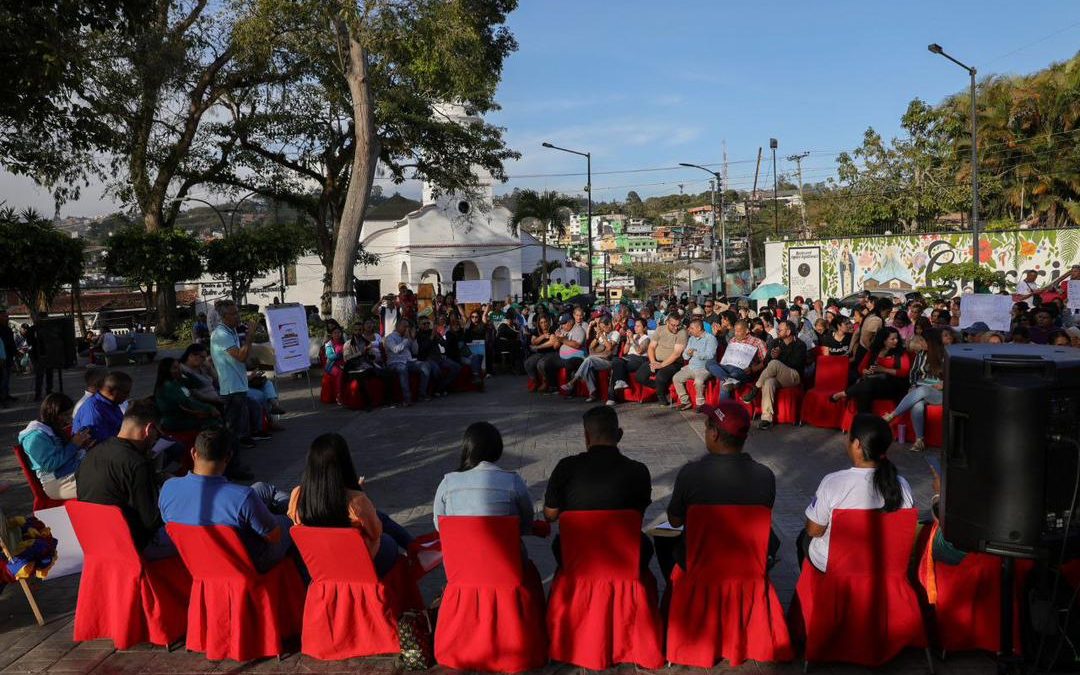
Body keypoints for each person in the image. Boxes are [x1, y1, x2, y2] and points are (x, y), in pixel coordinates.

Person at [654, 401, 779, 579]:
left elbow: (674, 521)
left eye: (706, 427)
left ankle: (673, 590)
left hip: (700, 564)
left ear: (714, 434)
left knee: (663, 533)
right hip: (746, 563)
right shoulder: (765, 476)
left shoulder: (691, 473)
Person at [159, 430, 292, 573]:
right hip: (245, 561)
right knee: (287, 522)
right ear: (228, 457)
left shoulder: (168, 488)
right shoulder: (242, 497)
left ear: (193, 453)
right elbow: (274, 536)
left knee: (262, 488)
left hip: (195, 557)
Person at [544, 406, 653, 570]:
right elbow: (637, 515)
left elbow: (551, 515)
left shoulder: (566, 467)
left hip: (577, 554)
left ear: (587, 437)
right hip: (622, 554)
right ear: (619, 434)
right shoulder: (639, 471)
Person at [287, 433, 412, 577]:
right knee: (387, 538)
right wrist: (360, 495)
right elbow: (376, 532)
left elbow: (295, 520)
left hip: (321, 563)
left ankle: (415, 546)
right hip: (358, 564)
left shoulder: (297, 495)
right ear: (344, 464)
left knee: (379, 518)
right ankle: (415, 548)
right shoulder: (355, 501)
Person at [800, 414, 913, 571]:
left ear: (857, 445)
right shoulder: (902, 485)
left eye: (849, 437)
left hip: (838, 565)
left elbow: (814, 530)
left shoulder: (833, 483)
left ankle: (808, 593)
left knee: (803, 538)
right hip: (884, 564)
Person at [76, 400, 177, 559]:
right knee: (196, 538)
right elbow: (151, 521)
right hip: (131, 545)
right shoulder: (137, 464)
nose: (155, 439)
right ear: (149, 429)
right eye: (157, 434)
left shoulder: (92, 454)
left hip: (95, 540)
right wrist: (172, 493)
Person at [433, 422, 534, 533]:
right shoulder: (513, 481)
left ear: (467, 448)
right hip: (503, 549)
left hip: (460, 549)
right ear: (497, 448)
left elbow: (439, 525)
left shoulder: (448, 482)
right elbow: (527, 521)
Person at [18, 393, 93, 499]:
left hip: (69, 473)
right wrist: (74, 444)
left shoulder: (50, 428)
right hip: (57, 484)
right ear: (53, 413)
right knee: (105, 483)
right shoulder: (35, 436)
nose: (69, 420)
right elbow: (50, 464)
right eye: (65, 415)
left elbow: (63, 453)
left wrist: (82, 446)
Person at [883, 330, 944, 453]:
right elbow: (913, 373)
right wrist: (913, 386)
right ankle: (919, 441)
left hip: (940, 393)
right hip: (922, 389)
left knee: (922, 390)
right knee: (917, 405)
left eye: (923, 340)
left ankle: (892, 415)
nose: (921, 343)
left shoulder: (944, 355)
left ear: (931, 342)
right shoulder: (921, 354)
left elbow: (955, 376)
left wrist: (943, 383)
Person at [210, 299, 258, 449]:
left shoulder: (231, 331)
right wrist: (250, 336)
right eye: (234, 314)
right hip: (231, 387)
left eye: (238, 312)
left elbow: (240, 360)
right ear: (224, 317)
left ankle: (238, 446)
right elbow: (241, 356)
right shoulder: (221, 334)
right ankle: (229, 456)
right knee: (231, 426)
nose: (238, 316)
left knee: (238, 421)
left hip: (238, 384)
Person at [742, 320, 807, 430]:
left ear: (789, 331)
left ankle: (755, 389)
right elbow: (766, 362)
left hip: (793, 376)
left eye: (780, 330)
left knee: (775, 363)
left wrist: (779, 357)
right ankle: (766, 418)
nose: (777, 331)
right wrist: (772, 357)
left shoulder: (800, 344)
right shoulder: (775, 342)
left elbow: (796, 364)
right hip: (777, 375)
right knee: (768, 382)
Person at [831, 326, 911, 414]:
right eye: (892, 339)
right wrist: (865, 371)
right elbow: (861, 368)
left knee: (869, 384)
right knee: (864, 392)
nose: (896, 341)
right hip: (872, 384)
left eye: (897, 338)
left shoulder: (901, 353)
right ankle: (865, 422)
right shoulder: (874, 351)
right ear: (884, 340)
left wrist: (884, 369)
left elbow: (904, 372)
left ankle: (843, 394)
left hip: (893, 385)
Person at [562, 315, 621, 403]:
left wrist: (602, 336)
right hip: (600, 358)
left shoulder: (615, 333)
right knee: (588, 364)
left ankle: (573, 381)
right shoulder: (603, 334)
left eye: (604, 327)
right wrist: (597, 337)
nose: (603, 330)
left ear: (609, 324)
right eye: (601, 328)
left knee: (589, 360)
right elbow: (590, 348)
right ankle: (593, 392)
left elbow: (609, 348)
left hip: (609, 361)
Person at [153, 357, 221, 433]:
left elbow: (198, 383)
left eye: (179, 367)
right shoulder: (168, 386)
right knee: (213, 422)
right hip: (176, 421)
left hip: (185, 415)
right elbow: (187, 403)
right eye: (175, 368)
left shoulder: (177, 382)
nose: (179, 370)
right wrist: (209, 408)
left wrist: (186, 372)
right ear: (166, 371)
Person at [635, 313, 688, 406]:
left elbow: (676, 354)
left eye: (678, 325)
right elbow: (651, 347)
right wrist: (653, 362)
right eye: (673, 325)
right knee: (639, 376)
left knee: (660, 376)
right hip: (656, 360)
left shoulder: (682, 332)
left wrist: (661, 365)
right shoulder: (660, 329)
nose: (676, 328)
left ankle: (662, 398)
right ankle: (662, 387)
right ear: (667, 322)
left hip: (674, 362)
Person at [342, 319, 396, 410]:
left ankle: (388, 400)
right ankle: (367, 404)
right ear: (353, 331)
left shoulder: (366, 342)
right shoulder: (348, 344)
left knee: (388, 373)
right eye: (356, 330)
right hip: (354, 369)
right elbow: (346, 358)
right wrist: (361, 353)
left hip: (367, 366)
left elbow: (371, 357)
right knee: (362, 378)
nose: (358, 332)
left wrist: (371, 354)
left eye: (360, 330)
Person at [707, 319, 767, 399]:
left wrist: (753, 369)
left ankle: (723, 409)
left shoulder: (758, 342)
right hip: (728, 367)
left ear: (746, 331)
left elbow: (766, 361)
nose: (736, 334)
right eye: (735, 331)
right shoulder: (733, 340)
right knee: (709, 363)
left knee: (725, 382)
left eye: (738, 331)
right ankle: (729, 379)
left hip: (743, 370)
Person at [72, 371, 133, 444]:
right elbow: (98, 444)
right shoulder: (94, 411)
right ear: (111, 391)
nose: (128, 396)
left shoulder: (112, 403)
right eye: (126, 392)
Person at [671, 318, 718, 411]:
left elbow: (710, 355)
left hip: (705, 368)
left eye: (692, 328)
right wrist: (688, 353)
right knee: (676, 378)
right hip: (691, 367)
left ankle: (700, 404)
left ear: (699, 328)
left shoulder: (710, 338)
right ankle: (685, 402)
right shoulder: (692, 338)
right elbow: (685, 356)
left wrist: (695, 353)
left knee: (699, 381)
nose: (689, 330)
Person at [606, 318, 651, 406]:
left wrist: (632, 340)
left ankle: (612, 397)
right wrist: (628, 341)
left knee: (616, 367)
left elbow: (639, 351)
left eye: (638, 326)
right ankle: (621, 382)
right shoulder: (633, 336)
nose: (636, 328)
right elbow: (625, 351)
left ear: (644, 328)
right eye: (635, 326)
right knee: (616, 361)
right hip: (629, 357)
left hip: (640, 359)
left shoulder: (647, 338)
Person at [542, 309, 588, 394]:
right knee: (548, 362)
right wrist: (557, 339)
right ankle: (553, 387)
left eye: (564, 323)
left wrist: (563, 340)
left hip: (578, 357)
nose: (562, 326)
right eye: (561, 324)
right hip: (563, 357)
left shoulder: (579, 330)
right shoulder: (563, 330)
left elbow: (577, 345)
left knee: (569, 364)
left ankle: (570, 390)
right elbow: (556, 347)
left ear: (570, 322)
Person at [385, 318, 430, 406]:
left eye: (408, 327)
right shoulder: (390, 337)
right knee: (403, 369)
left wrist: (413, 339)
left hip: (409, 361)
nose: (407, 328)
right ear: (397, 326)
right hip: (395, 362)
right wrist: (406, 339)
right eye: (404, 326)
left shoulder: (407, 337)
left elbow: (415, 351)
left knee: (425, 366)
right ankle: (407, 399)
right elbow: (395, 349)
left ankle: (422, 394)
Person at [524, 315, 558, 389]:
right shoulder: (537, 330)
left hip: (551, 352)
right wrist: (543, 336)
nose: (544, 324)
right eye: (541, 322)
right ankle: (535, 380)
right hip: (540, 353)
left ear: (548, 322)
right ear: (539, 323)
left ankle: (545, 381)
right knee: (528, 363)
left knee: (541, 364)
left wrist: (537, 347)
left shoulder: (552, 329)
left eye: (545, 322)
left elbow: (551, 342)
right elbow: (533, 342)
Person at [323, 325, 347, 405]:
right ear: (332, 334)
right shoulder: (329, 344)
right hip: (332, 365)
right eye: (335, 333)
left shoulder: (344, 342)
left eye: (339, 332)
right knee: (339, 373)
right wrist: (340, 355)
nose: (337, 334)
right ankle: (338, 395)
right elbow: (330, 356)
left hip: (344, 363)